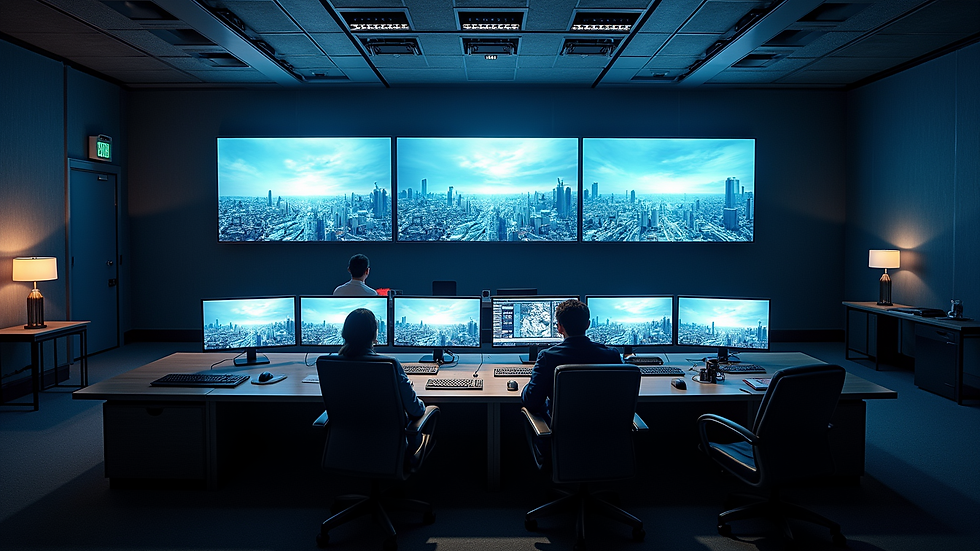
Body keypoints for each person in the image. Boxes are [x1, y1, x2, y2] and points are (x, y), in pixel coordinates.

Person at [520, 299, 623, 466]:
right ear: (588, 324)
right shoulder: (611, 355)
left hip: (563, 439)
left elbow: (531, 402)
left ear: (559, 326)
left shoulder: (548, 357)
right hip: (604, 437)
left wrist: (527, 386)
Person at [337, 308, 425, 453]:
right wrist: (405, 388)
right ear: (374, 334)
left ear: (345, 333)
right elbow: (416, 410)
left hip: (348, 446)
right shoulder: (389, 364)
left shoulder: (332, 364)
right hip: (391, 447)